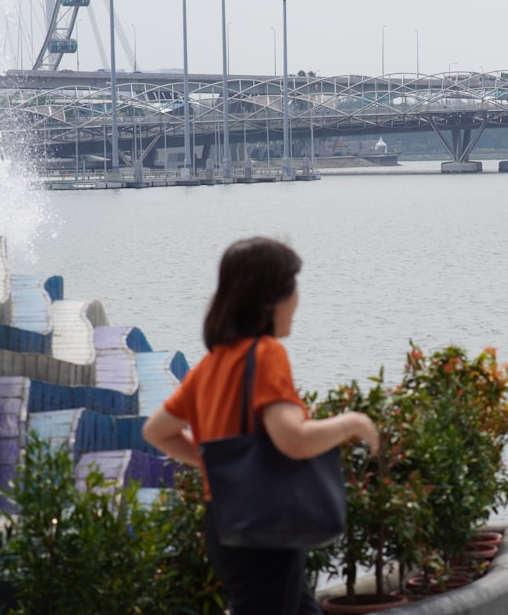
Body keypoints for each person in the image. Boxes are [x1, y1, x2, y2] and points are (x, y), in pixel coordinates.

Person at [143, 237, 380, 615]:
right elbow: (293, 440)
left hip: (226, 522)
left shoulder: (210, 365)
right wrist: (351, 423)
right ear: (271, 299)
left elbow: (157, 431)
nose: (298, 300)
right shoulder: (266, 354)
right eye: (294, 287)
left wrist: (214, 466)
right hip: (265, 528)